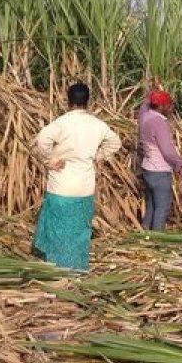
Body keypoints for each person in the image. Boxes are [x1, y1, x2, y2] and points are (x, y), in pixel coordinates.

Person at [32, 82, 121, 271]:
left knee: (59, 230)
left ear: (68, 100)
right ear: (88, 101)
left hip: (62, 184)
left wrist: (50, 160)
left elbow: (42, 140)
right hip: (84, 186)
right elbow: (115, 143)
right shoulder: (97, 125)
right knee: (80, 230)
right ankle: (77, 269)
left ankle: (56, 269)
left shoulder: (62, 123)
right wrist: (96, 157)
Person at [137, 82, 182, 231]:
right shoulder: (159, 122)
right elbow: (167, 151)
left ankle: (145, 234)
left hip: (148, 169)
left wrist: (153, 91)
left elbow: (145, 104)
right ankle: (158, 240)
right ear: (161, 107)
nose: (171, 109)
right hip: (159, 171)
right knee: (162, 208)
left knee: (152, 205)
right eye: (169, 106)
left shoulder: (144, 116)